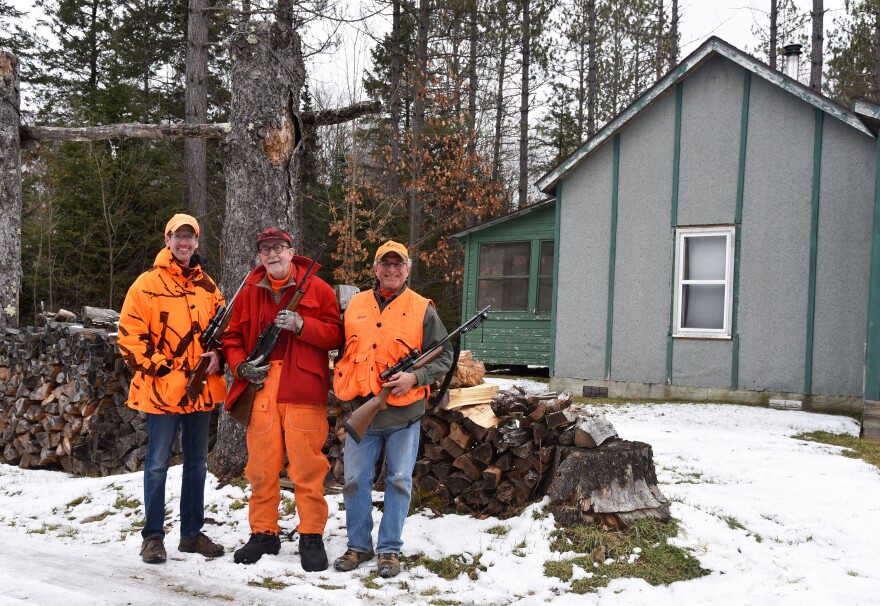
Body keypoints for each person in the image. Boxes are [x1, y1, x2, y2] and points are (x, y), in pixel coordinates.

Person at [221, 227, 343, 572]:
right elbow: (231, 339)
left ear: (292, 251)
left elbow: (336, 334)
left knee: (307, 466)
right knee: (261, 467)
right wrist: (241, 367)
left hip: (302, 385)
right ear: (260, 256)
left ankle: (311, 534)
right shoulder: (248, 292)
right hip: (261, 388)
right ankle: (264, 532)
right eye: (266, 250)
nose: (273, 255)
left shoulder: (317, 288)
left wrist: (303, 325)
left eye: (279, 248)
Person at [332, 240, 453, 578]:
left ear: (408, 269)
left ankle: (389, 550)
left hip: (404, 414)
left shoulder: (421, 308)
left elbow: (444, 355)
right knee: (355, 480)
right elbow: (340, 348)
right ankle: (358, 546)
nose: (391, 270)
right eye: (385, 264)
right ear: (375, 269)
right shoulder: (355, 304)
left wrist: (414, 377)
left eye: (397, 264)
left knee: (398, 481)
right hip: (362, 411)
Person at [117, 213, 227, 564]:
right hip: (162, 390)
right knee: (157, 464)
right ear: (168, 240)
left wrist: (219, 355)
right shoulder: (146, 284)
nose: (184, 243)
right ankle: (152, 537)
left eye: (190, 237)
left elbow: (227, 330)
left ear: (196, 242)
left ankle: (191, 534)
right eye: (178, 237)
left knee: (196, 464)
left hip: (200, 391)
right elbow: (129, 338)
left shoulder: (208, 286)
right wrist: (164, 369)